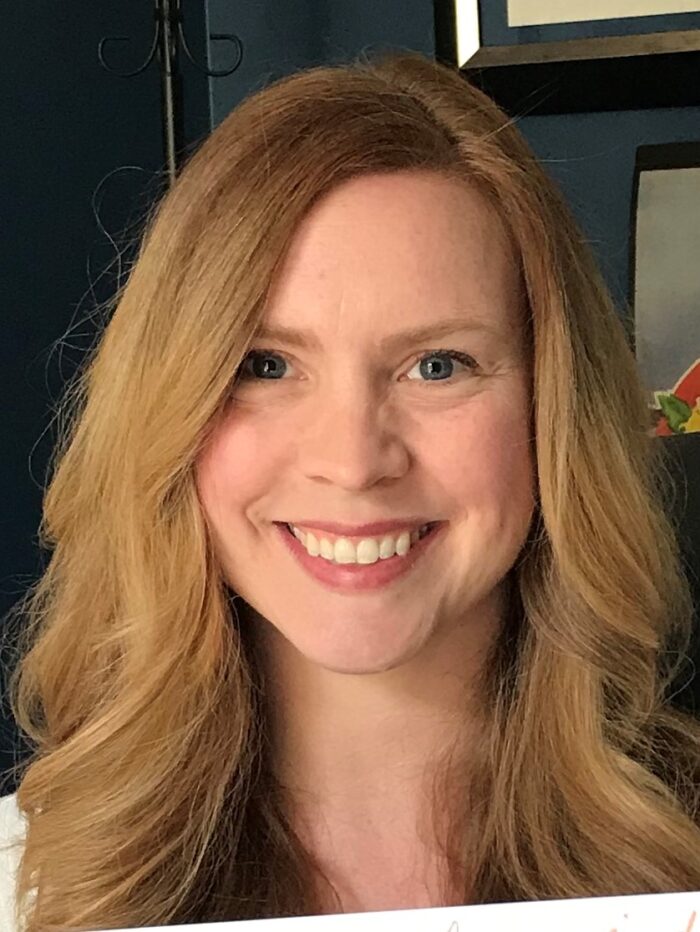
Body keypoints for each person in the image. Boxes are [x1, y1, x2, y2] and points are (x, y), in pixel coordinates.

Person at [1, 48, 699, 931]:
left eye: (435, 365)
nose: (354, 460)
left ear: (552, 410)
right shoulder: (24, 885)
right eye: (266, 364)